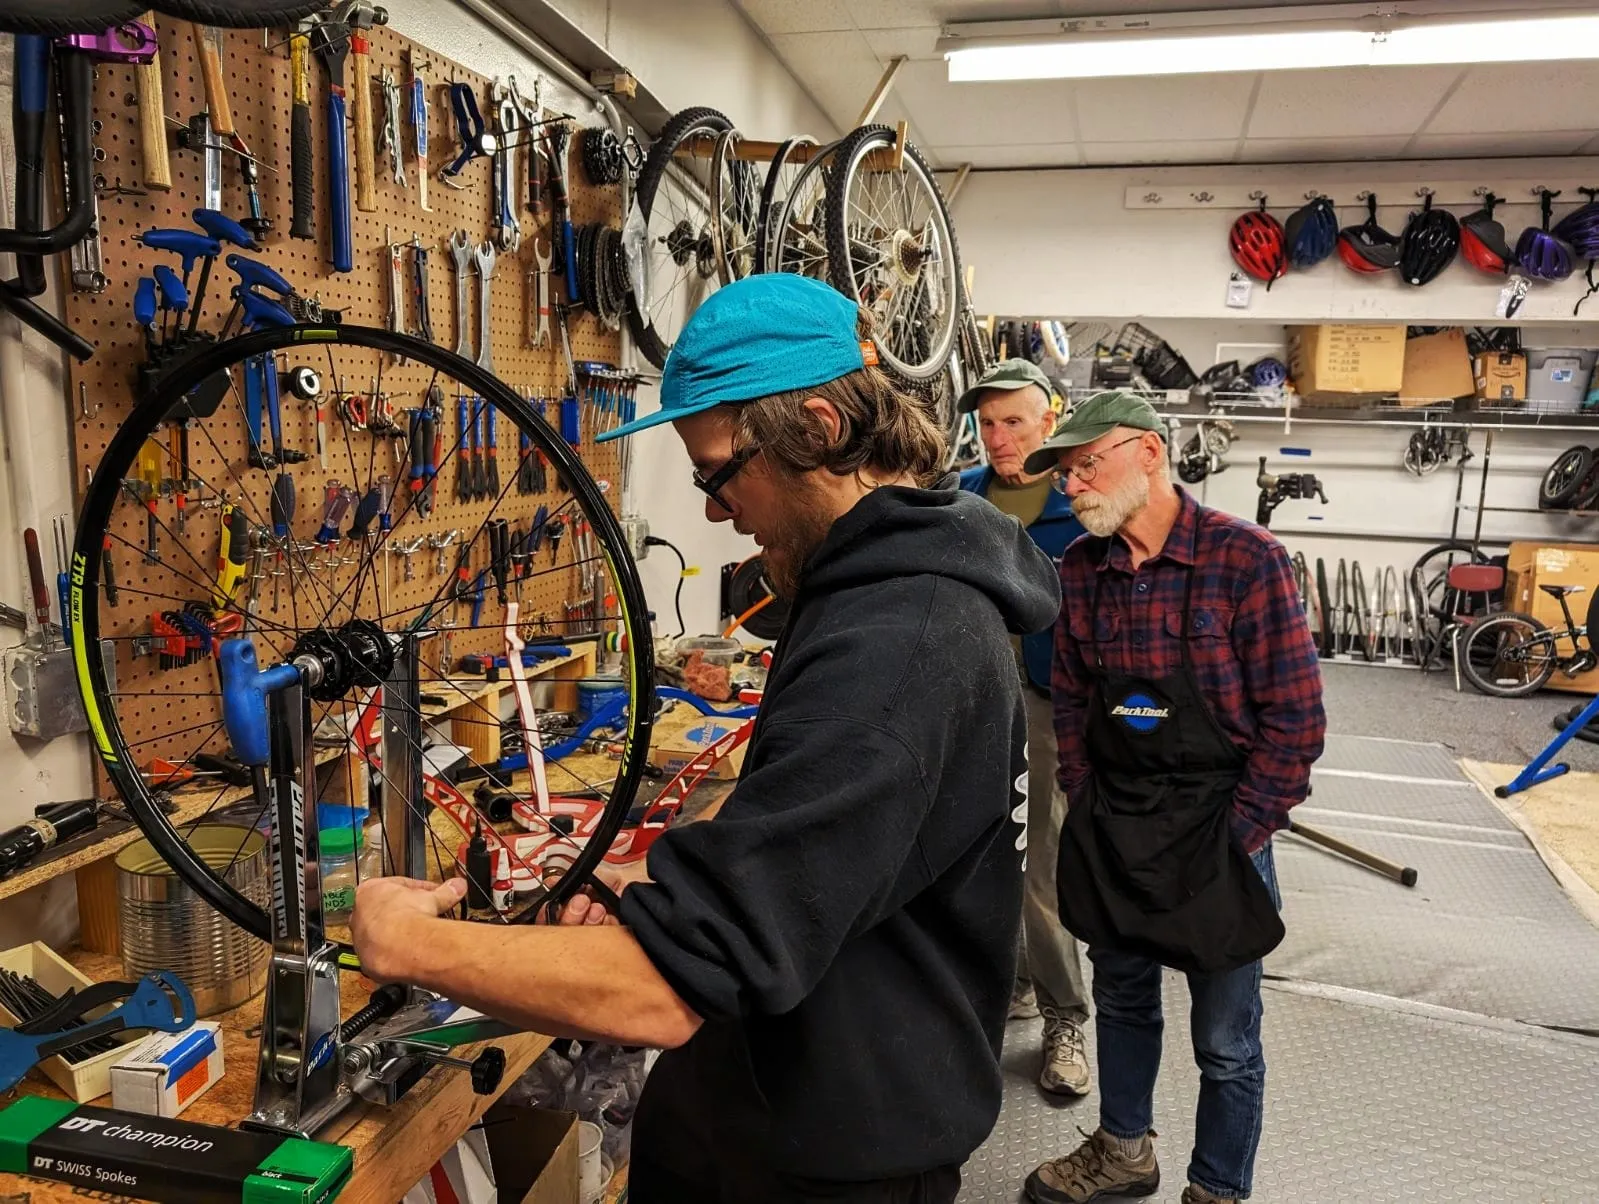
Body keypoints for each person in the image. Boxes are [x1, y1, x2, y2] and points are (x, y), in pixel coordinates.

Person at [351, 274, 1062, 1204]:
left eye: (717, 473)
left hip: (817, 1163)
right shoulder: (880, 592)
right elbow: (826, 823)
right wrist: (665, 878)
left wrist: (407, 947)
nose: (717, 510)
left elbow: (658, 994)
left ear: (818, 428)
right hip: (789, 1104)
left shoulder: (899, 643)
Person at [1019, 392, 1326, 1204]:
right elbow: (1074, 702)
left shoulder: (1245, 559)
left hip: (1220, 831)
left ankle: (1217, 1187)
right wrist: (1087, 806)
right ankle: (1123, 1152)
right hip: (1117, 821)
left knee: (1225, 1039)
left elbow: (1293, 721)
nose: (1072, 485)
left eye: (1088, 463)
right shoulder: (1081, 572)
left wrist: (1238, 836)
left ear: (1149, 453)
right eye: (1064, 472)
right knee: (1121, 999)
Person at [955, 359, 1093, 1099]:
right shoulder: (963, 497)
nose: (999, 437)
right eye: (987, 423)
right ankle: (1010, 983)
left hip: (1043, 703)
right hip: (972, 699)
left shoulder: (1081, 503)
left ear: (1049, 420)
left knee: (1038, 864)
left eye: (1014, 421)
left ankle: (1065, 1015)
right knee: (975, 852)